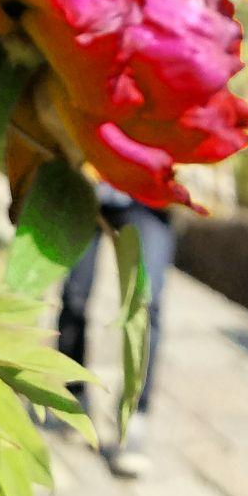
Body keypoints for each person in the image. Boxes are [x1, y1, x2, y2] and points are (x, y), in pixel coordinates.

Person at [55, 188, 172, 479]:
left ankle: (133, 419)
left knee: (146, 303)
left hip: (148, 195)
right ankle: (75, 398)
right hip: (87, 186)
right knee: (75, 297)